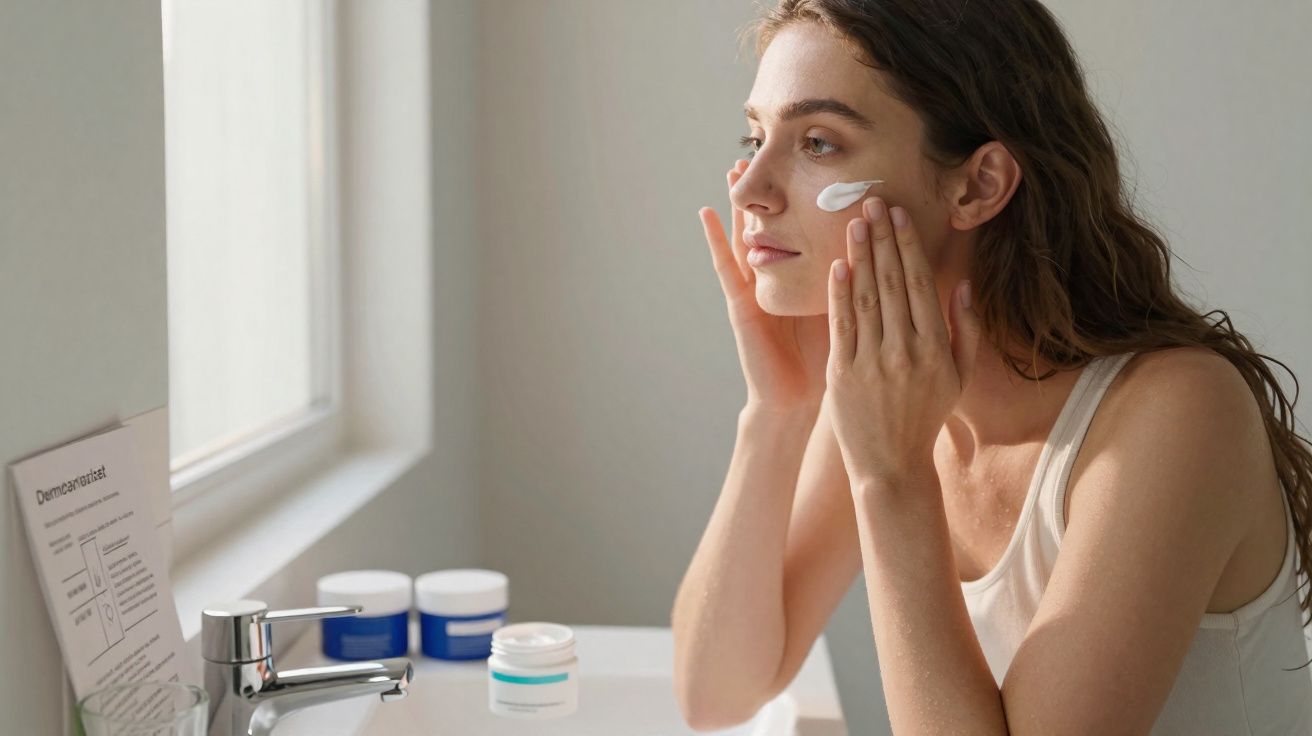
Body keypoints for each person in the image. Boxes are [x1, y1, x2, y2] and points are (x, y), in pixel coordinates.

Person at [670, 1, 1312, 733]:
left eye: (817, 142)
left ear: (977, 185)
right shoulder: (897, 399)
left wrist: (891, 479)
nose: (750, 186)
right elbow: (715, 695)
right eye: (754, 136)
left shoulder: (1177, 412)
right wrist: (778, 413)